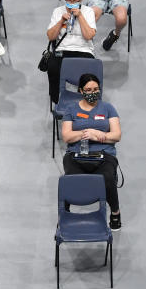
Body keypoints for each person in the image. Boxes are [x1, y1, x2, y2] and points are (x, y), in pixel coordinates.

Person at [60, 73, 122, 228]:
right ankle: (65, 214)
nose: (93, 92)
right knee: (71, 179)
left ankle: (115, 212)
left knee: (108, 178)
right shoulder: (71, 109)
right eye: (88, 89)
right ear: (81, 91)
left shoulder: (108, 108)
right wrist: (85, 133)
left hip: (104, 155)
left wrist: (99, 135)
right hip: (76, 154)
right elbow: (67, 136)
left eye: (96, 89)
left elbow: (117, 135)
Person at [45, 0, 97, 103]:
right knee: (52, 67)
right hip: (62, 49)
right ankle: (56, 100)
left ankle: (84, 99)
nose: (71, 2)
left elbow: (89, 35)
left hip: (84, 50)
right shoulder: (58, 11)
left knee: (87, 72)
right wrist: (61, 21)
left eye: (74, 0)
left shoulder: (88, 11)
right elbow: (50, 36)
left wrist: (80, 16)